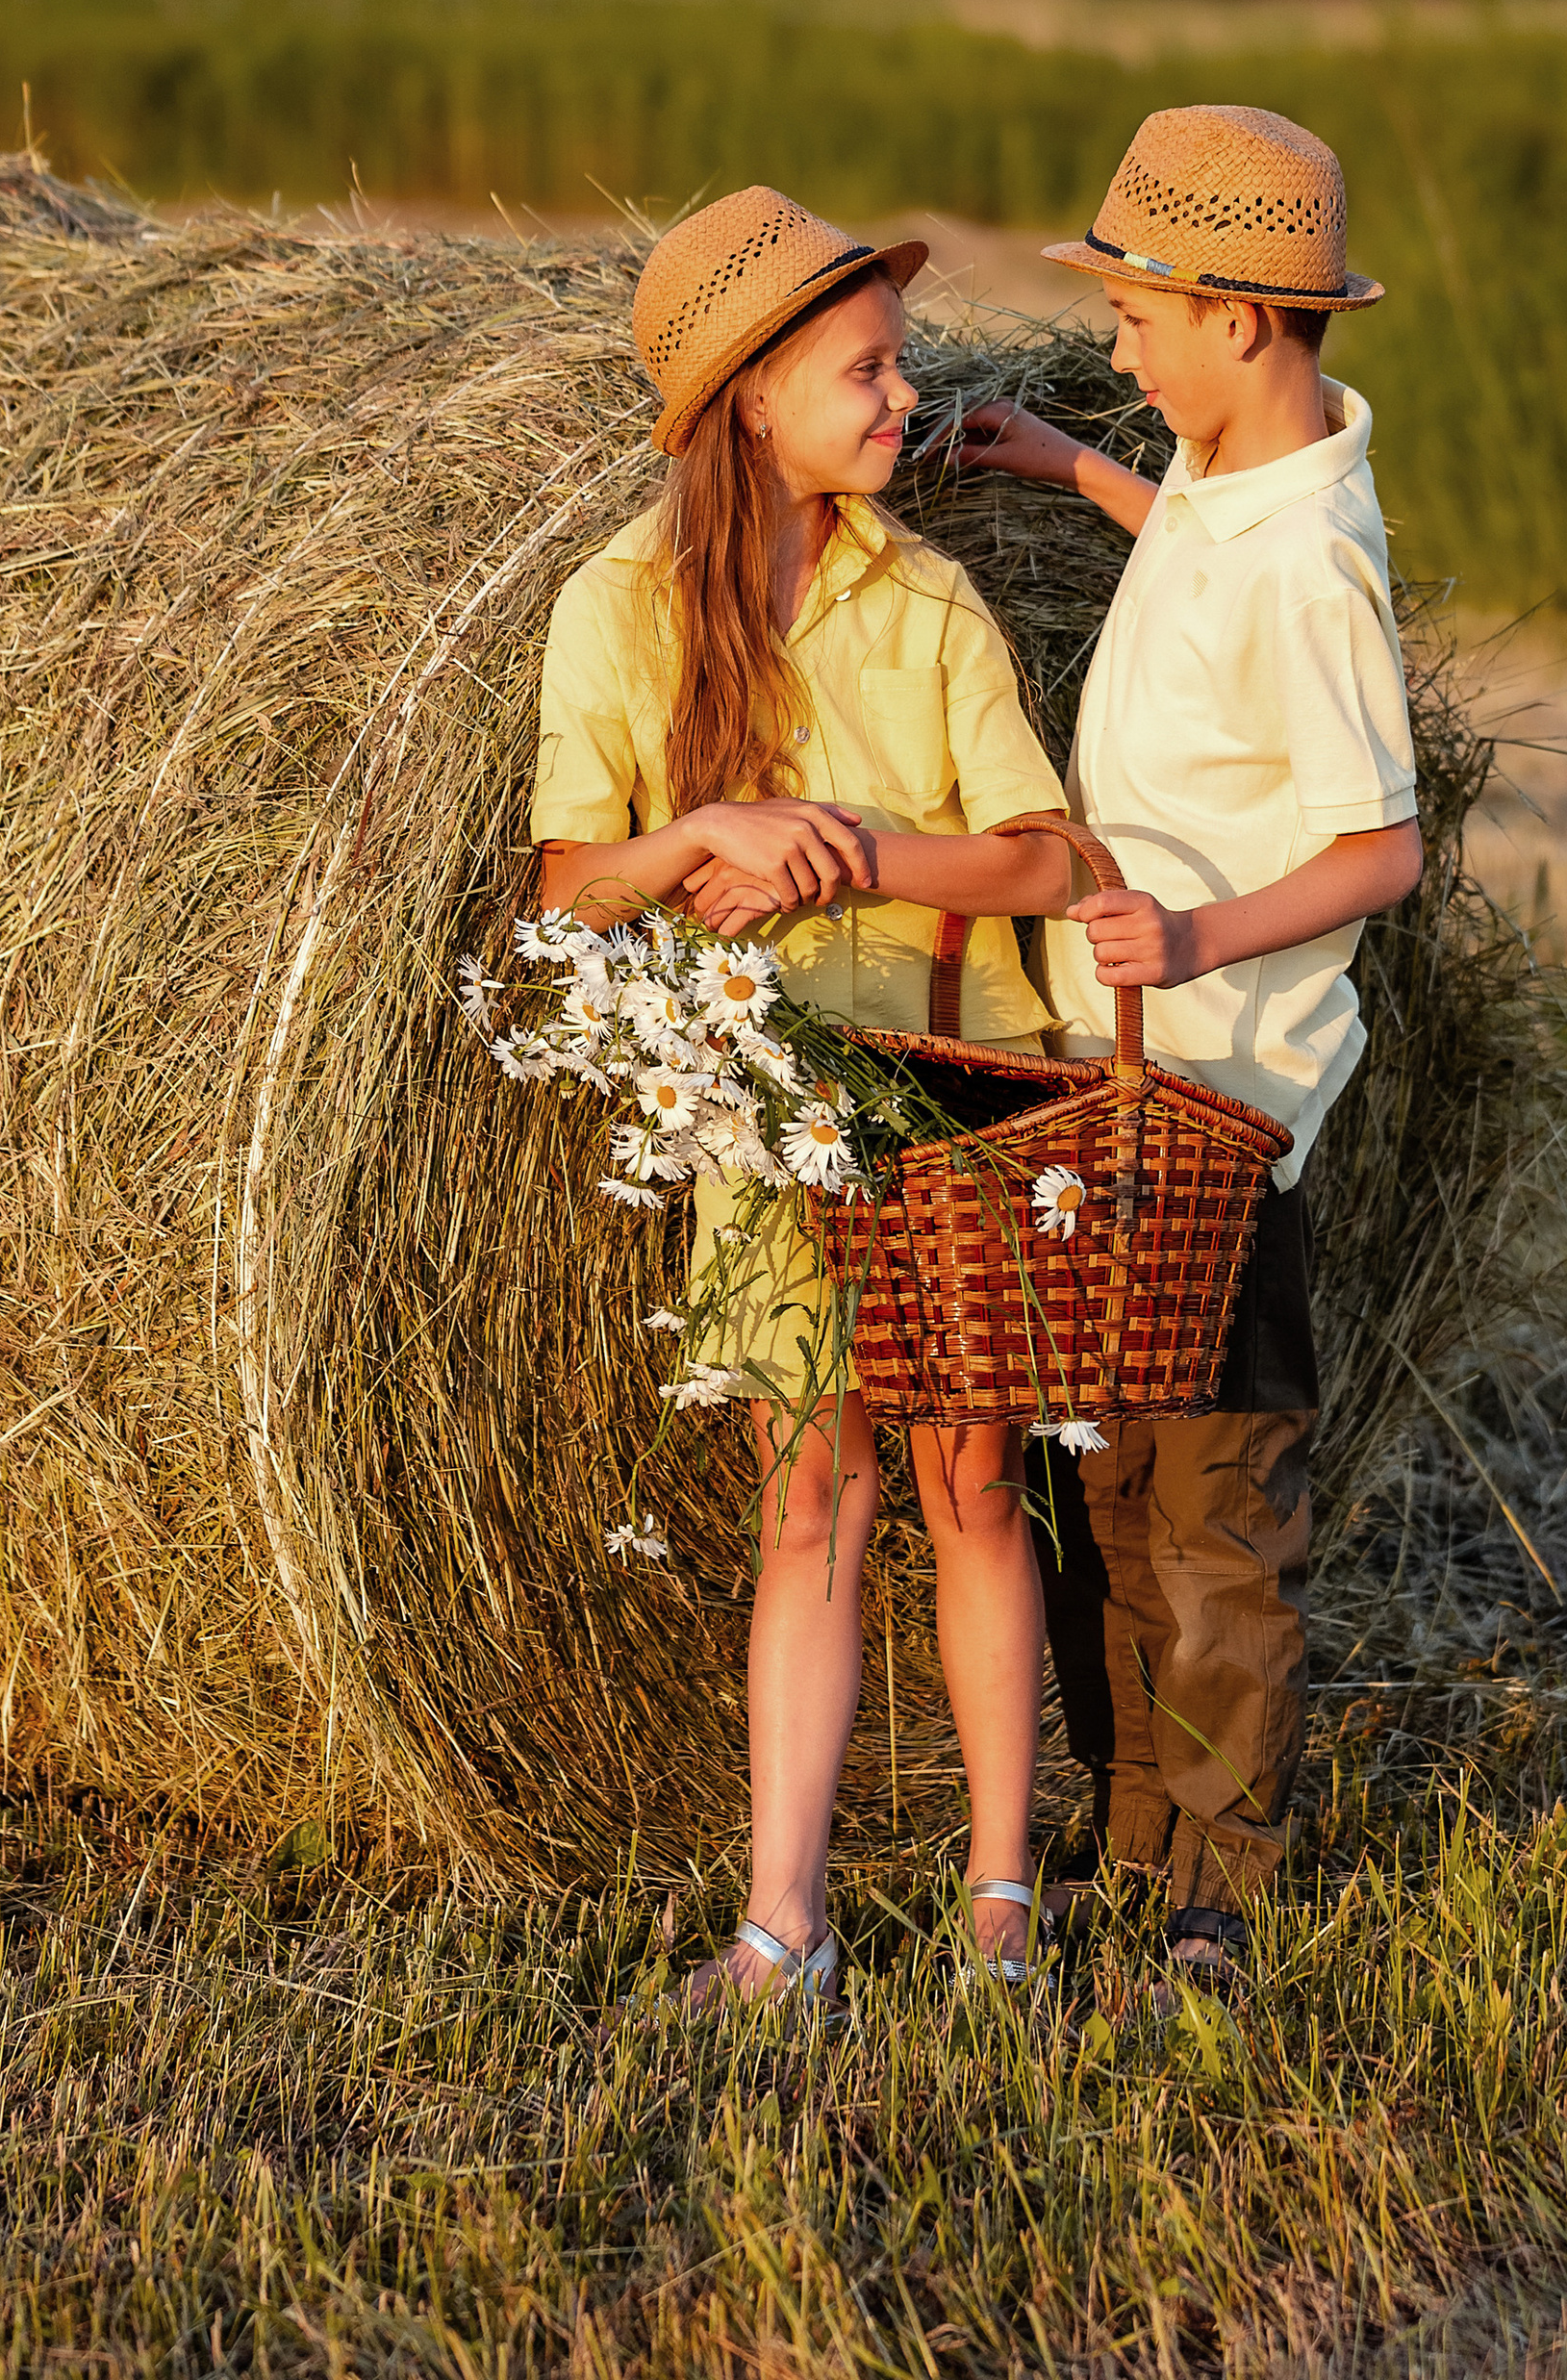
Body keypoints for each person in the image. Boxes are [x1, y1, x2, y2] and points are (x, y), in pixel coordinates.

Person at [533, 184, 1074, 2011]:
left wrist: (852, 860)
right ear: (750, 397)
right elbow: (565, 887)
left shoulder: (927, 601)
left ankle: (1004, 1898)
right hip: (763, 1104)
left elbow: (1053, 864)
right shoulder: (615, 607)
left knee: (976, 1479)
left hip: (957, 1087)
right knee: (809, 1500)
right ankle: (789, 1925)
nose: (901, 397)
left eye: (901, 364)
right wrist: (695, 835)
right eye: (866, 368)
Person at [953, 103, 1423, 1988]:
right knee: (1114, 1485)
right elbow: (1200, 575)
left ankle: (1213, 1884)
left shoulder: (1312, 558)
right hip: (1123, 1087)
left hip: (1218, 1101)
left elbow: (1379, 840)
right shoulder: (1234, 485)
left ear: (1237, 318)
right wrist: (1084, 473)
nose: (1119, 343)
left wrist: (1197, 930)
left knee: (1214, 1505)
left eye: (1135, 314)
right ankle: (1130, 1827)